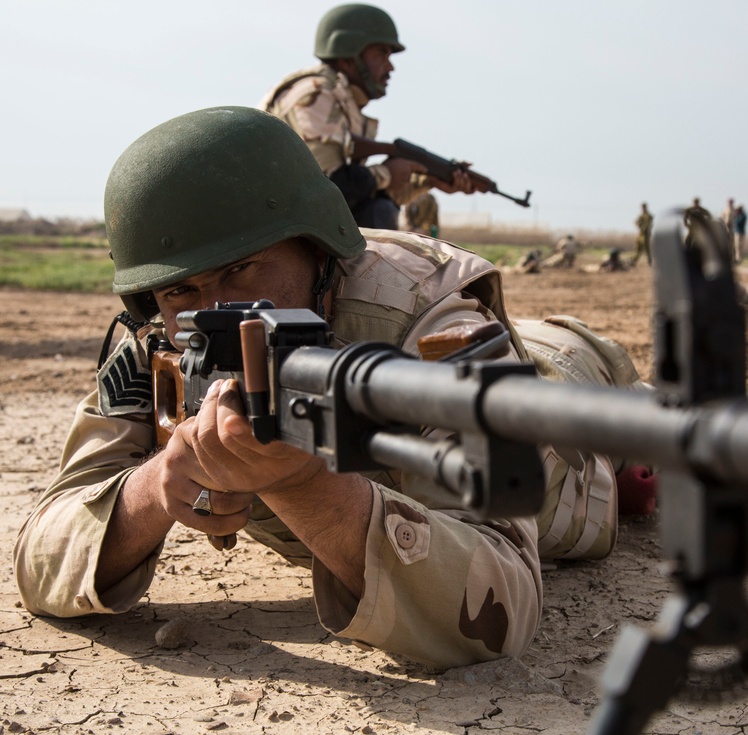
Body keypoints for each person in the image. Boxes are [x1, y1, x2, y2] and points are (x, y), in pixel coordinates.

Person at [14, 106, 644, 670]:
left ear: (317, 249)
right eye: (184, 290)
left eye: (243, 269)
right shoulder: (159, 341)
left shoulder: (440, 324)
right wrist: (158, 486)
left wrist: (305, 486)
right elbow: (39, 557)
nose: (218, 312)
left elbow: (504, 609)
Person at [259, 4, 472, 229]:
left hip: (291, 223)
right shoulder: (317, 94)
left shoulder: (343, 101)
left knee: (380, 208)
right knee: (379, 213)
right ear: (349, 56)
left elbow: (359, 197)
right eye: (381, 53)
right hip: (273, 226)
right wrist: (387, 174)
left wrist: (429, 180)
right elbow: (325, 189)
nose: (390, 67)